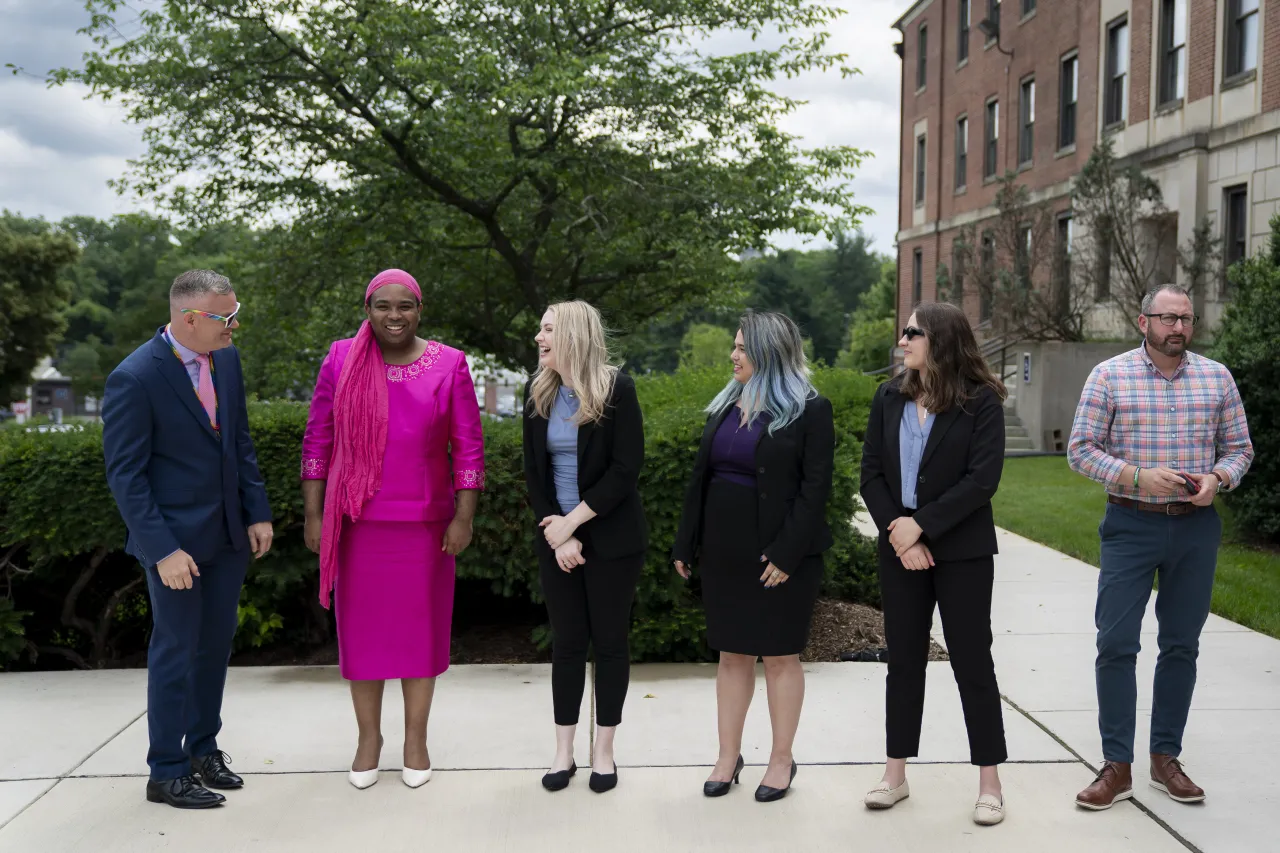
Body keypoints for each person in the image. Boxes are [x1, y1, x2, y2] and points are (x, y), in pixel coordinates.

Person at [1068, 284, 1253, 811]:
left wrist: (1220, 477)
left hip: (1196, 529)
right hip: (1130, 523)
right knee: (1116, 642)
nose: (1178, 328)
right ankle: (1116, 765)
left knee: (1180, 645)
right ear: (1143, 321)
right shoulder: (1110, 376)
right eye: (1168, 318)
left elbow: (1240, 449)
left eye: (1186, 319)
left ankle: (1165, 758)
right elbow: (1080, 451)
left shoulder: (1216, 377)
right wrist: (1134, 475)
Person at [300, 268, 485, 791]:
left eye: (405, 306)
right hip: (356, 524)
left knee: (420, 634)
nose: (394, 315)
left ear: (419, 310)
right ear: (368, 309)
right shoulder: (340, 359)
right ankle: (368, 740)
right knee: (362, 636)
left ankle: (415, 740)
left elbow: (468, 448)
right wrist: (315, 515)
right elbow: (318, 442)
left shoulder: (449, 364)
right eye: (384, 306)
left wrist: (463, 516)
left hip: (426, 528)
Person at [102, 270, 274, 810]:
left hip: (227, 535)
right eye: (225, 317)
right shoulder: (134, 377)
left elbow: (239, 441)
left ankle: (203, 749)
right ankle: (166, 770)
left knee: (215, 646)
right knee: (175, 651)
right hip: (173, 544)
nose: (235, 324)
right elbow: (126, 475)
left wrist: (256, 512)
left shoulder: (227, 359)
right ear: (188, 318)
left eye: (235, 310)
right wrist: (162, 549)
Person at [672, 311, 834, 804]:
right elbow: (703, 477)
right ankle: (728, 756)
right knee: (732, 655)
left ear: (768, 352)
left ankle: (781, 759)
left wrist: (788, 552)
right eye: (734, 346)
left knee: (781, 656)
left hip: (781, 556)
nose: (733, 354)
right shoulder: (727, 403)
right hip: (723, 552)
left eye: (742, 347)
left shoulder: (811, 409)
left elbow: (814, 491)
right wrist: (687, 541)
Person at [858, 301, 1008, 827]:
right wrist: (900, 534)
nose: (903, 340)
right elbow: (871, 474)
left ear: (939, 339)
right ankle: (894, 774)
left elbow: (982, 480)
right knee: (903, 662)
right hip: (901, 548)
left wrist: (921, 527)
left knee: (972, 661)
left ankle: (990, 783)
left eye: (912, 332)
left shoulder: (980, 401)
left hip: (961, 551)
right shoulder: (889, 396)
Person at [522, 301, 646, 795]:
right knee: (568, 644)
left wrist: (574, 523)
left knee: (611, 644)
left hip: (613, 540)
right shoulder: (537, 393)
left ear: (572, 334)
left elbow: (625, 469)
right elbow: (534, 473)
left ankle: (604, 753)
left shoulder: (617, 389)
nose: (539, 336)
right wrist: (559, 534)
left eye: (547, 328)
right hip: (558, 540)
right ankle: (563, 753)